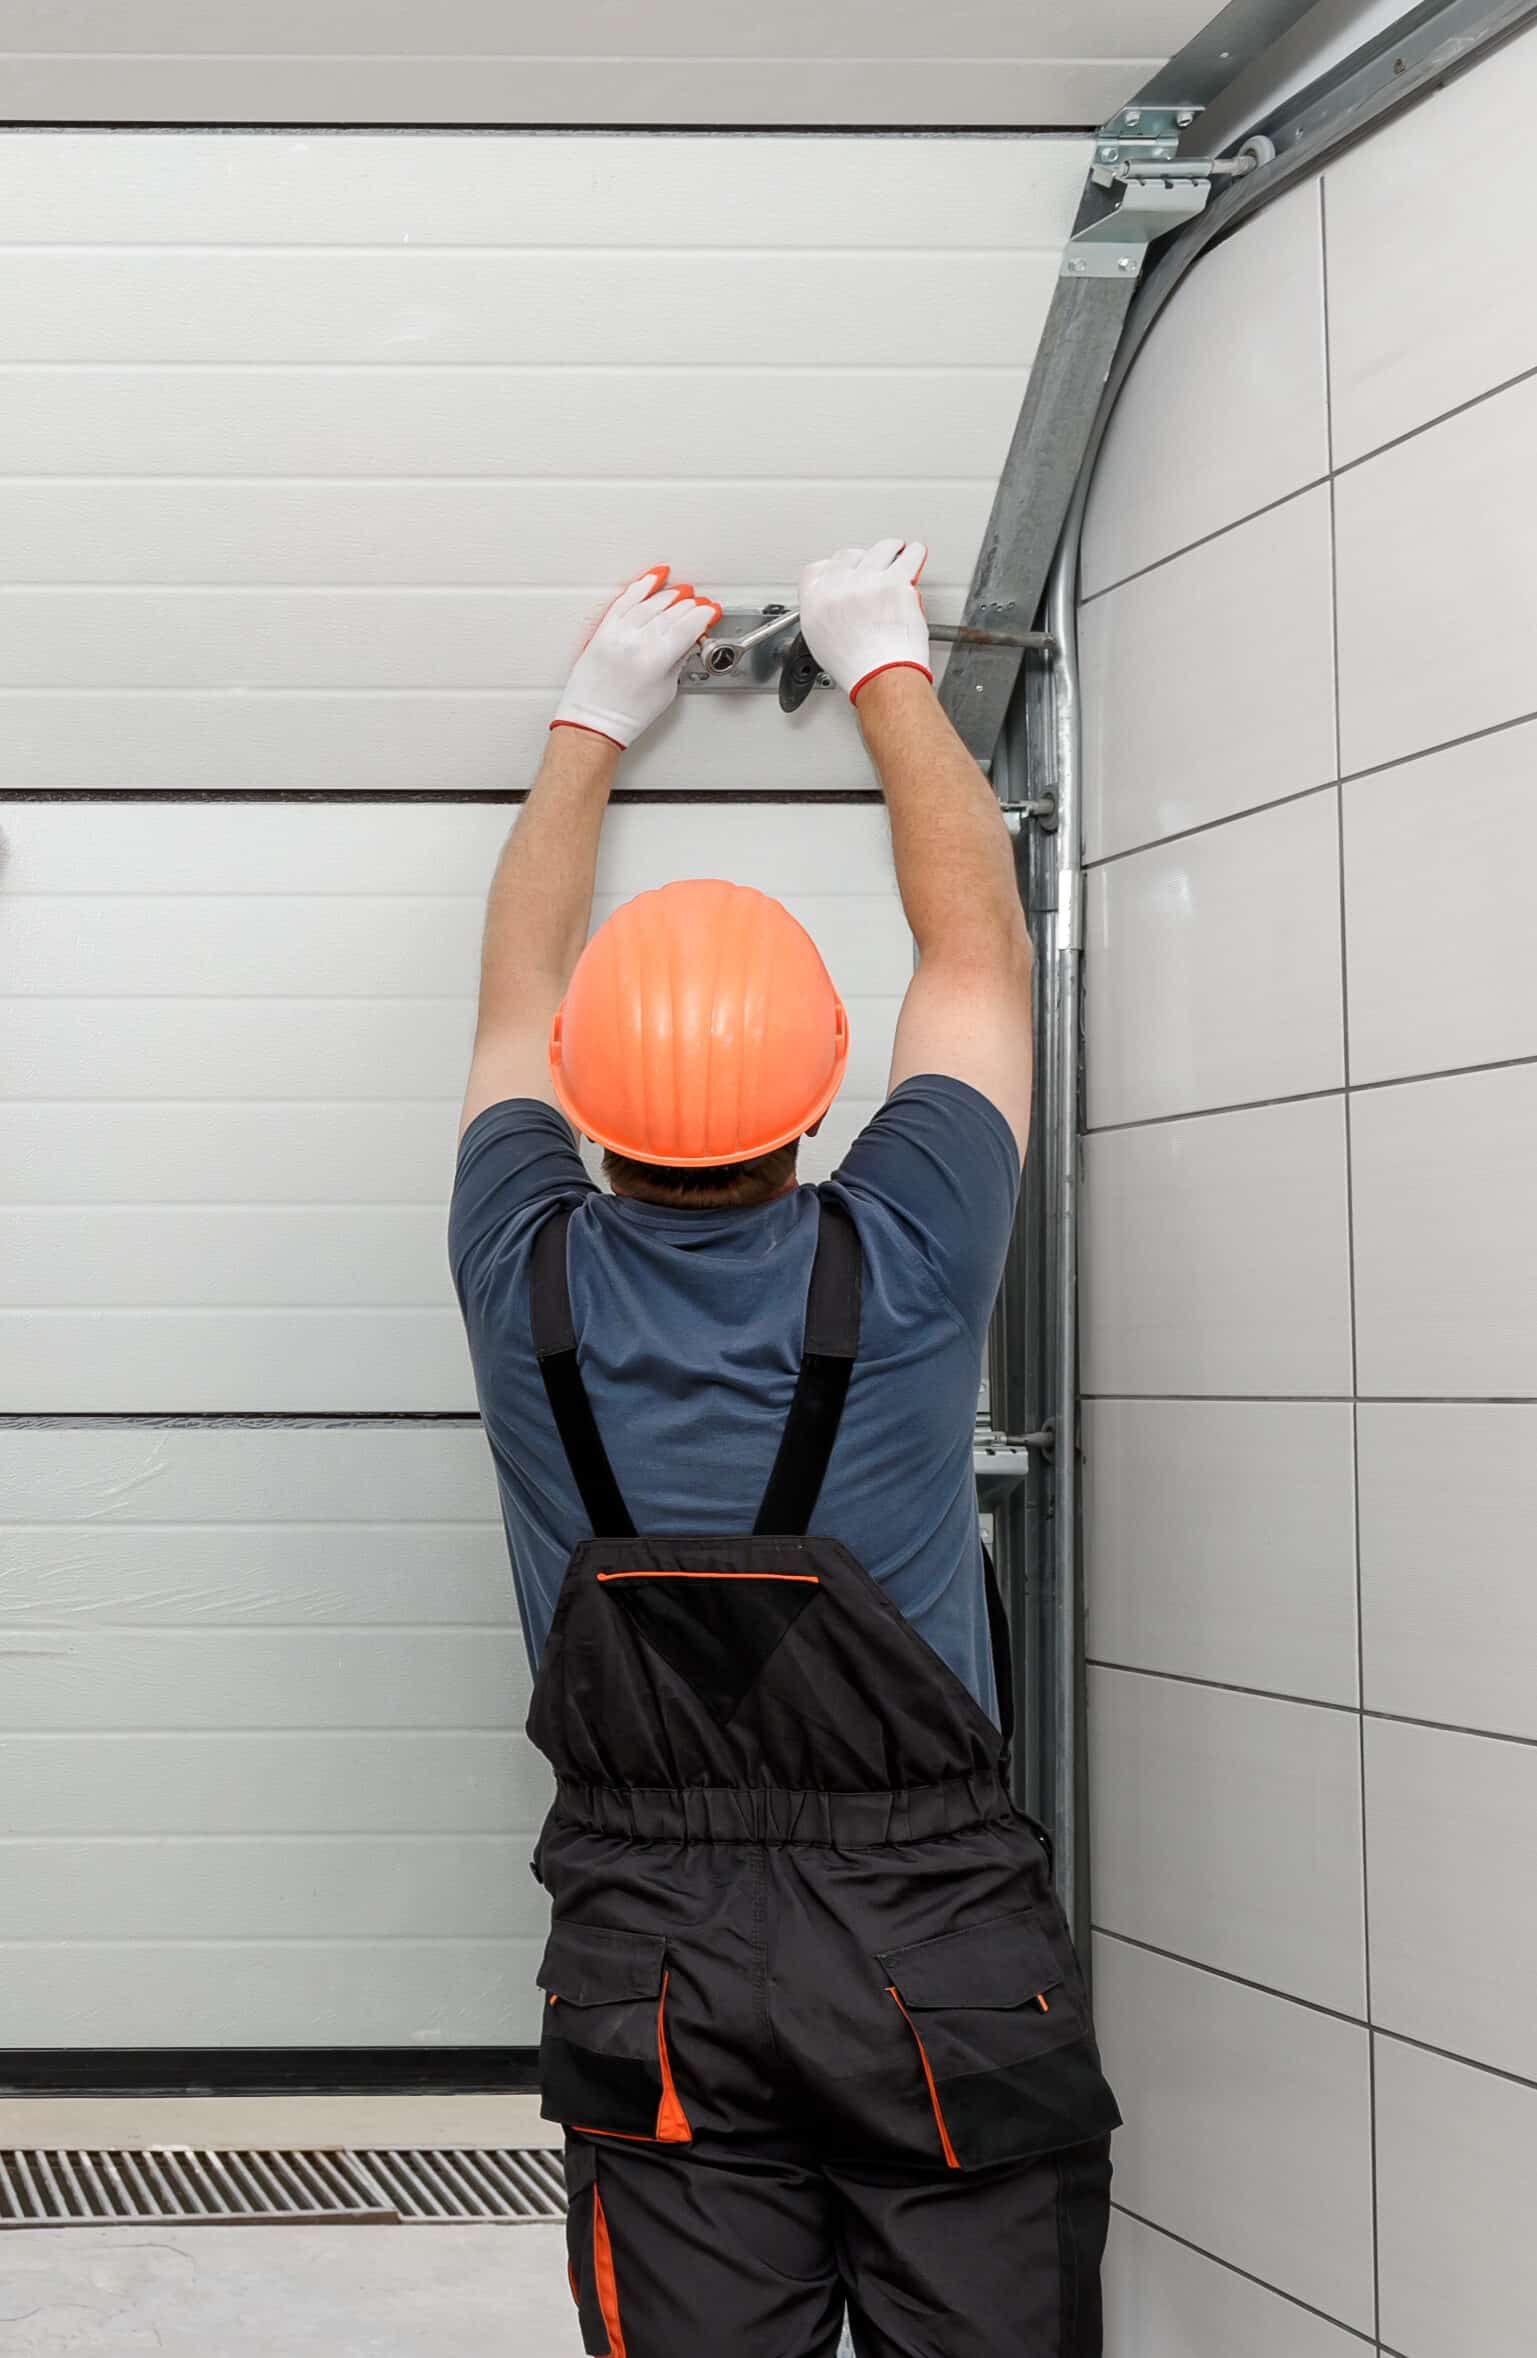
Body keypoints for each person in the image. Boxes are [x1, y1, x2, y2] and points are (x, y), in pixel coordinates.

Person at [449, 541, 1119, 2358]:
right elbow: (974, 942)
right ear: (820, 1089)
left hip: (649, 1942)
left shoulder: (521, 1274)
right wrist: (884, 664)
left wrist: (593, 713)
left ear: (584, 1100)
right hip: (935, 1942)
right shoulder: (900, 1252)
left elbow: (513, 993)